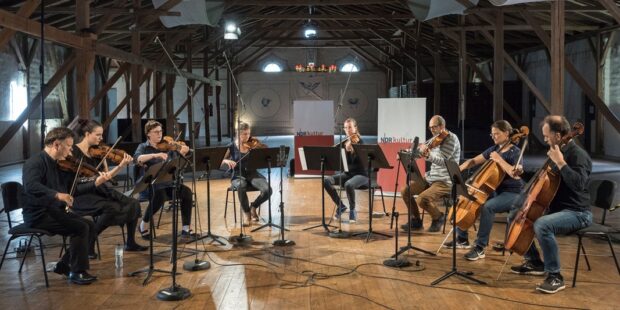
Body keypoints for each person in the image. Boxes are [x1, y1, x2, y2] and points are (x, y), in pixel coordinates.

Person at [509, 115, 592, 294]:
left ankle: (555, 276)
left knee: (542, 224)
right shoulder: (557, 151)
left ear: (557, 135)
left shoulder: (578, 155)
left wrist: (561, 162)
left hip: (577, 212)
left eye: (547, 136)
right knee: (514, 215)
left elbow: (579, 184)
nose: (545, 139)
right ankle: (535, 262)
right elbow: (544, 177)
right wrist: (523, 173)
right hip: (557, 209)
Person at [22, 127, 111, 285]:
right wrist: (57, 195)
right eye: (69, 146)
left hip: (53, 210)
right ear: (56, 144)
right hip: (38, 214)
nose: (71, 150)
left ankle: (63, 265)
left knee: (90, 225)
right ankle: (78, 272)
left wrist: (96, 182)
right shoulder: (35, 163)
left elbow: (74, 189)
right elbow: (31, 186)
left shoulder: (59, 165)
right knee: (80, 228)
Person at [442, 120, 524, 261]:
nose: (493, 137)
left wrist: (499, 160)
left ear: (506, 133)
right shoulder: (494, 149)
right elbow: (473, 161)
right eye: (492, 134)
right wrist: (459, 169)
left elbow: (514, 173)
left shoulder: (515, 152)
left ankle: (480, 247)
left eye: (496, 134)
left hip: (513, 193)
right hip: (495, 191)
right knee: (467, 197)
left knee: (488, 207)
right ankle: (462, 239)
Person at [71, 119, 147, 256]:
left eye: (102, 135)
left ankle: (130, 242)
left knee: (134, 203)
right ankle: (89, 242)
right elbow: (75, 182)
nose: (101, 138)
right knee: (112, 208)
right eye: (98, 135)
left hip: (99, 190)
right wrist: (114, 168)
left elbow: (108, 177)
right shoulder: (74, 153)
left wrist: (121, 165)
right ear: (87, 134)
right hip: (82, 194)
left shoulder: (97, 152)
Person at [134, 120, 195, 238]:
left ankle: (186, 228)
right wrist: (155, 155)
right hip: (150, 186)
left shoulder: (168, 147)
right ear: (148, 134)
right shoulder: (143, 147)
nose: (159, 134)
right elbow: (138, 159)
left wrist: (182, 153)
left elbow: (176, 166)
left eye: (160, 131)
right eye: (156, 132)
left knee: (186, 192)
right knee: (160, 195)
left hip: (168, 184)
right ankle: (143, 224)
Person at [400, 115, 461, 232]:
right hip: (431, 178)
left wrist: (428, 155)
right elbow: (419, 153)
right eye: (430, 128)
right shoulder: (435, 139)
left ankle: (438, 217)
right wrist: (406, 153)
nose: (432, 130)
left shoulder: (451, 139)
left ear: (442, 126)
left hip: (445, 180)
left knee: (422, 199)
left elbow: (444, 161)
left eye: (434, 127)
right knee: (405, 190)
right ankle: (416, 220)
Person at [222, 122, 272, 226]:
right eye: (244, 134)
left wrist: (259, 149)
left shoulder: (252, 144)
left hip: (252, 173)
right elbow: (220, 159)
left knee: (268, 190)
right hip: (238, 174)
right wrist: (227, 161)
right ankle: (247, 214)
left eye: (248, 133)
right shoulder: (231, 146)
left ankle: (253, 206)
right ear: (238, 133)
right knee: (241, 186)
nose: (247, 136)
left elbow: (266, 153)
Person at [322, 118, 368, 223]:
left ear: (355, 128)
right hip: (348, 174)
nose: (348, 130)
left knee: (348, 184)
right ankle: (341, 206)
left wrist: (354, 148)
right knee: (326, 181)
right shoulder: (345, 143)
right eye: (346, 128)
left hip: (361, 175)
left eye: (350, 127)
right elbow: (343, 163)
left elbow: (362, 163)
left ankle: (352, 210)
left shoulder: (361, 142)